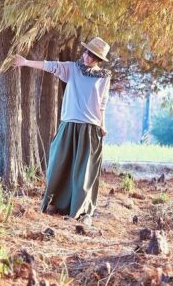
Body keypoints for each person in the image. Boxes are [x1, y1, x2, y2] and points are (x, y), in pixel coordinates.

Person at [13, 36, 111, 224]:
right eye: (87, 52)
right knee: (58, 165)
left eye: (93, 55)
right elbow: (50, 65)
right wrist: (26, 62)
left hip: (90, 128)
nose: (88, 57)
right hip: (69, 124)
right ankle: (55, 203)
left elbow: (103, 103)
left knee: (84, 172)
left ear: (98, 59)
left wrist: (102, 124)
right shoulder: (72, 69)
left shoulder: (104, 77)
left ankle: (81, 211)